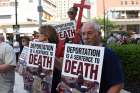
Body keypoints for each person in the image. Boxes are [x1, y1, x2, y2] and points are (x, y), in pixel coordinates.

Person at [81, 21, 124, 93]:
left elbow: (118, 85)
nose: (86, 37)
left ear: (99, 34)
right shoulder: (80, 53)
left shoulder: (109, 55)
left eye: (89, 33)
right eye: (83, 34)